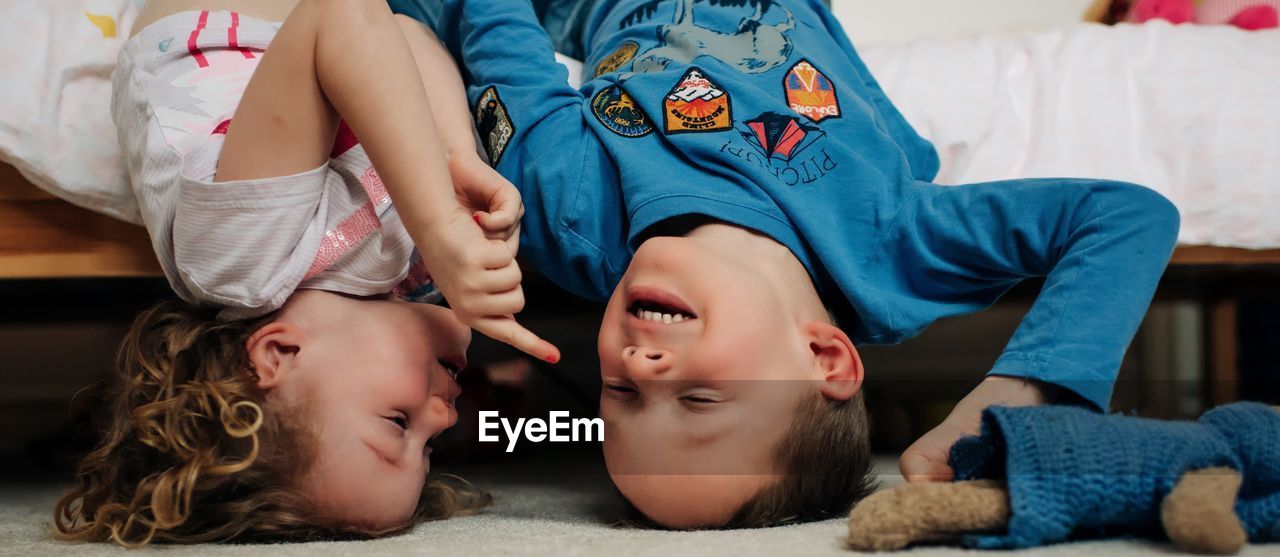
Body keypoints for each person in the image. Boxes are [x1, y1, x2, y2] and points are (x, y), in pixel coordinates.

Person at [396, 0, 1181, 528]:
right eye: (698, 397)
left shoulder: (570, 215)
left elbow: (499, 37)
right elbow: (1125, 216)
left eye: (620, 391)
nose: (639, 361)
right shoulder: (894, 249)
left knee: (405, 24)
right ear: (822, 356)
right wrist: (1030, 388)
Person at [56, 0, 554, 545]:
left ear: (278, 355)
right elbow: (405, 36)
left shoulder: (240, 264)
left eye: (398, 424)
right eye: (429, 448)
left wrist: (436, 222)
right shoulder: (404, 277)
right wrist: (456, 167)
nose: (445, 420)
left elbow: (343, 14)